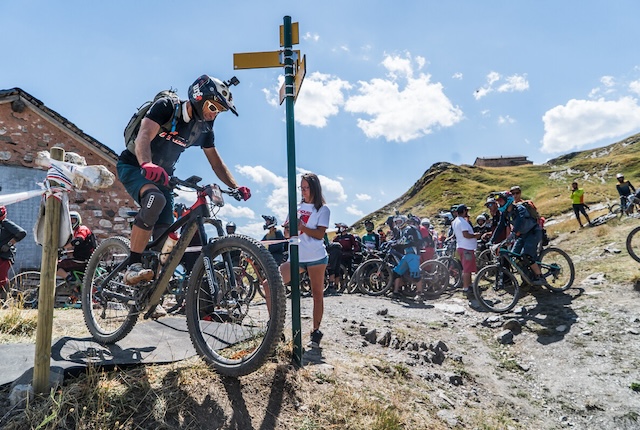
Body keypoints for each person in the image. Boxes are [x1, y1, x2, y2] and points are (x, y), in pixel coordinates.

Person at [116, 75, 251, 288]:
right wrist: (147, 164)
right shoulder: (166, 107)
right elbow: (144, 135)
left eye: (219, 110)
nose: (214, 113)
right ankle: (132, 266)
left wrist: (235, 186)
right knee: (155, 199)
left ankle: (150, 291)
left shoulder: (204, 129)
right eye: (212, 106)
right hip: (135, 165)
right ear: (198, 97)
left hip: (165, 177)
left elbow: (216, 163)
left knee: (165, 234)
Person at [276, 173, 330, 349]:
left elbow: (320, 234)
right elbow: (286, 232)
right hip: (296, 257)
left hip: (316, 257)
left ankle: (315, 332)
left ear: (314, 188)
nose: (303, 191)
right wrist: (286, 231)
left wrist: (302, 227)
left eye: (306, 187)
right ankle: (275, 330)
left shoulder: (322, 209)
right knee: (269, 285)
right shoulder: (296, 207)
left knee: (317, 294)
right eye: (301, 187)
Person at [490, 191, 545, 285]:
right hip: (522, 235)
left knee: (527, 256)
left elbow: (519, 222)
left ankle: (540, 277)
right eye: (498, 202)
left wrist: (512, 234)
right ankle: (528, 278)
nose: (499, 204)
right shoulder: (505, 213)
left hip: (533, 232)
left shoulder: (520, 208)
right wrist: (491, 240)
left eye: (501, 201)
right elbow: (500, 226)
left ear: (508, 200)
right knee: (514, 256)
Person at [390, 214, 425, 303]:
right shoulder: (402, 230)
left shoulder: (408, 229)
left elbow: (404, 240)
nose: (398, 223)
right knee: (397, 272)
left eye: (399, 221)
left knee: (415, 274)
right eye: (396, 222)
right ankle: (396, 292)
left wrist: (394, 244)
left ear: (404, 221)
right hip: (407, 254)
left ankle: (420, 294)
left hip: (413, 254)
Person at [56, 211, 96, 285]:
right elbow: (80, 249)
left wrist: (63, 248)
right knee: (80, 281)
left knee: (55, 266)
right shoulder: (76, 232)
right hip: (84, 260)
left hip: (83, 260)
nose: (71, 222)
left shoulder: (82, 229)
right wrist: (64, 252)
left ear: (78, 220)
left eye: (73, 220)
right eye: (70, 220)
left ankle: (71, 280)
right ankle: (76, 291)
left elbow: (79, 240)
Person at [450, 204, 481, 294]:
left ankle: (469, 285)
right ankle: (466, 288)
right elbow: (466, 235)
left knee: (468, 267)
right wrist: (475, 235)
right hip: (466, 247)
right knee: (467, 269)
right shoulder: (462, 222)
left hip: (461, 246)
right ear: (463, 211)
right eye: (466, 211)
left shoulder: (455, 221)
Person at [0, 206, 26, 301]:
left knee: (1, 279)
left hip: (4, 255)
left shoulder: (5, 223)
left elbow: (21, 233)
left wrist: (9, 244)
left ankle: (4, 299)